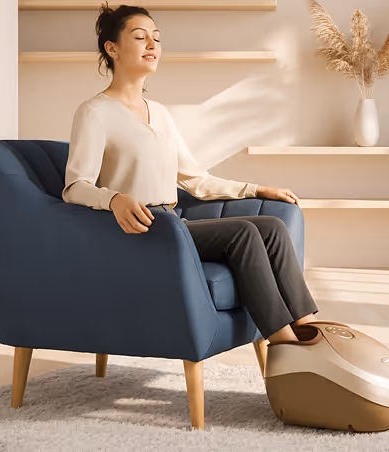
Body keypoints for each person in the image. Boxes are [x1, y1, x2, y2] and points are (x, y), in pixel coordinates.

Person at [63, 4, 319, 344]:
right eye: (140, 37)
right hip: (136, 232)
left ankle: (310, 330)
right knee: (242, 234)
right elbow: (75, 187)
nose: (152, 45)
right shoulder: (94, 112)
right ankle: (284, 343)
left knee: (272, 227)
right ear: (112, 49)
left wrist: (257, 189)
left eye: (156, 38)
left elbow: (196, 179)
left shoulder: (161, 114)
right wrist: (114, 199)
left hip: (171, 223)